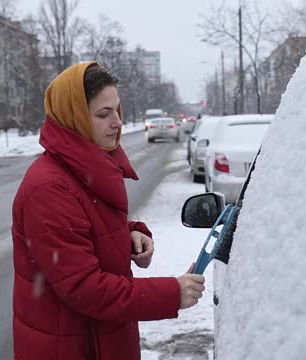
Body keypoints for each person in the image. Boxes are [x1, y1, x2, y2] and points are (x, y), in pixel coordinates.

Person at [11, 62, 205, 360]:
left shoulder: (85, 166)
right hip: (73, 347)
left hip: (99, 338)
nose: (117, 122)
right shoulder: (49, 189)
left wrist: (130, 233)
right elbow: (84, 287)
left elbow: (89, 223)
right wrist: (171, 293)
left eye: (117, 110)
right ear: (73, 118)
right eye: (104, 114)